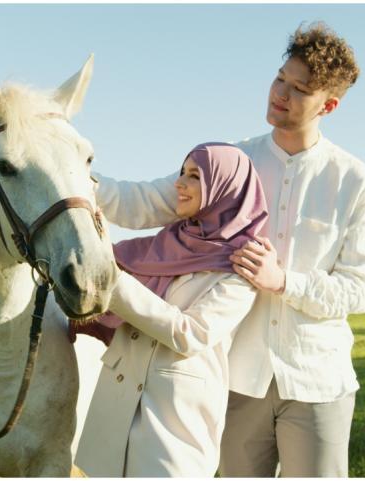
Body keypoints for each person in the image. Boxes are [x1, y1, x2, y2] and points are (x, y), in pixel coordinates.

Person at [89, 22, 365, 477]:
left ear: (328, 105)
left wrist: (284, 281)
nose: (280, 93)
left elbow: (360, 287)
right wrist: (73, 176)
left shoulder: (354, 181)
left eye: (299, 89)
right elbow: (147, 201)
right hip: (236, 378)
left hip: (318, 379)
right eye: (279, 78)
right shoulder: (232, 164)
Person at [74, 142, 269, 477]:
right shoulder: (163, 245)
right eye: (182, 173)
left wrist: (114, 280)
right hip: (115, 405)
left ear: (225, 188)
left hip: (172, 421)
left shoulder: (243, 264)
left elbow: (190, 334)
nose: (179, 184)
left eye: (194, 176)